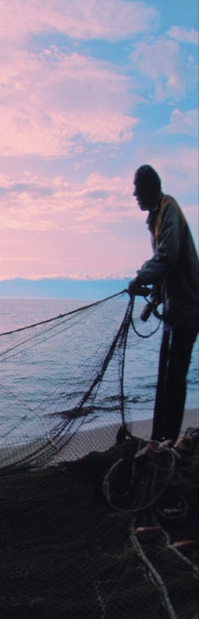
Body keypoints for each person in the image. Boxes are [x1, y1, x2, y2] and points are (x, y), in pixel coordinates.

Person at [127, 165, 199, 443]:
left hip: (188, 308)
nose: (134, 194)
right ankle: (160, 439)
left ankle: (166, 442)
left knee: (174, 378)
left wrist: (141, 276)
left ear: (149, 187)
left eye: (136, 187)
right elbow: (168, 267)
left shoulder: (168, 208)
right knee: (165, 378)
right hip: (173, 309)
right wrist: (154, 290)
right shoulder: (156, 216)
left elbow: (168, 257)